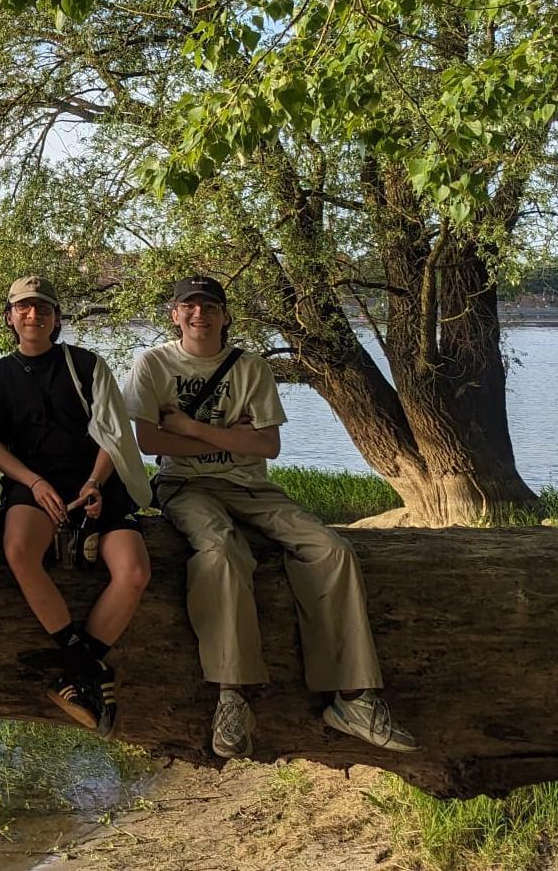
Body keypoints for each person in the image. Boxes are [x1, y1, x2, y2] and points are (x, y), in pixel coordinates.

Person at [126, 274, 417, 759]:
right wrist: (233, 438)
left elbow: (268, 446)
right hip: (186, 486)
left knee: (332, 550)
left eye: (210, 306)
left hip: (253, 487)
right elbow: (149, 441)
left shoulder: (250, 367)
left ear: (224, 315)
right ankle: (233, 696)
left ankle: (353, 699)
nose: (200, 314)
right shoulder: (153, 363)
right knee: (221, 550)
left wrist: (189, 426)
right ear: (174, 315)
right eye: (189, 306)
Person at [0, 276, 153, 736]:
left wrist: (95, 483)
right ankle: (87, 667)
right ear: (10, 317)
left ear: (57, 318)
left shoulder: (88, 366)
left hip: (96, 481)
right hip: (33, 484)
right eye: (24, 308)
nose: (33, 315)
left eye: (43, 309)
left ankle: (75, 671)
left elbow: (113, 436)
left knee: (134, 572)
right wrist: (34, 483)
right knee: (19, 551)